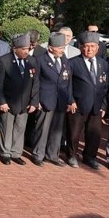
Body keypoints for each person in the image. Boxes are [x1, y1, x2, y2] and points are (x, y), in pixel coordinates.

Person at [65, 32, 109, 169]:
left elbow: (106, 86)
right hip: (77, 105)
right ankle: (72, 155)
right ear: (81, 47)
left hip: (97, 106)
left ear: (97, 48)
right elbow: (66, 84)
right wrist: (70, 100)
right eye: (86, 46)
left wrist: (104, 105)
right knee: (74, 133)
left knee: (94, 134)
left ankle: (90, 157)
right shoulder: (73, 62)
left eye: (92, 46)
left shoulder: (103, 64)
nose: (89, 49)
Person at [0, 34, 39, 165]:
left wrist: (34, 102)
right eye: (23, 49)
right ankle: (5, 152)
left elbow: (35, 83)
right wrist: (2, 101)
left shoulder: (32, 61)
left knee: (20, 128)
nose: (26, 51)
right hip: (9, 102)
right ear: (15, 48)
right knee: (7, 127)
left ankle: (16, 153)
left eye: (28, 48)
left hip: (25, 102)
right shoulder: (4, 61)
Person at [31, 33, 72, 167]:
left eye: (63, 47)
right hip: (45, 100)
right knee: (42, 129)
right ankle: (38, 154)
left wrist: (69, 100)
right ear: (50, 48)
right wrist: (36, 101)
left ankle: (52, 155)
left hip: (61, 100)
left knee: (57, 130)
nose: (62, 50)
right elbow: (35, 82)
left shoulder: (64, 60)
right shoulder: (40, 60)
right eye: (60, 47)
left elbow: (68, 82)